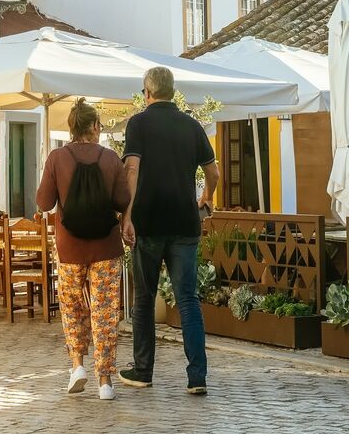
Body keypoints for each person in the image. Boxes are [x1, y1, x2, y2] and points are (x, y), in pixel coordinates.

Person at [121, 66, 217, 395]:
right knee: (188, 299)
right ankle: (197, 376)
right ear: (173, 93)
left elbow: (131, 169)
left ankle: (143, 371)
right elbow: (213, 172)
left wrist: (127, 215)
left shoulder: (138, 124)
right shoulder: (191, 125)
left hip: (148, 223)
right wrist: (206, 198)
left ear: (146, 93)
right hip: (184, 223)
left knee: (144, 298)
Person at [36, 99, 131, 399]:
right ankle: (105, 381)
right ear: (92, 126)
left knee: (73, 308)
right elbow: (122, 200)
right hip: (106, 247)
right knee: (105, 312)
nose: (101, 130)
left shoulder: (57, 157)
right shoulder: (110, 157)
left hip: (69, 249)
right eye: (100, 125)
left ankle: (77, 366)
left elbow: (43, 203)